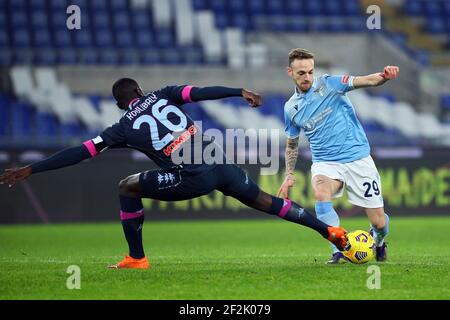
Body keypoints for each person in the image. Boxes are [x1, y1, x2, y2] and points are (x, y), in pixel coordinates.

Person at [0, 79, 347, 269]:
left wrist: (32, 168)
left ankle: (137, 258)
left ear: (121, 103)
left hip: (192, 177)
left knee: (126, 186)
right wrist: (238, 92)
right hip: (220, 162)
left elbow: (80, 152)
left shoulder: (121, 126)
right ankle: (330, 232)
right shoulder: (164, 94)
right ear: (138, 92)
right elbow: (199, 93)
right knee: (267, 201)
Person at [277, 48, 399, 264]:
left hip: (357, 159)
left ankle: (378, 242)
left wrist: (384, 77)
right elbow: (292, 145)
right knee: (321, 194)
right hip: (326, 163)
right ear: (290, 72)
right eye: (301, 73)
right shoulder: (290, 108)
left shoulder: (330, 83)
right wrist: (288, 175)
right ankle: (339, 249)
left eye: (310, 72)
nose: (307, 77)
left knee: (379, 222)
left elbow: (367, 81)